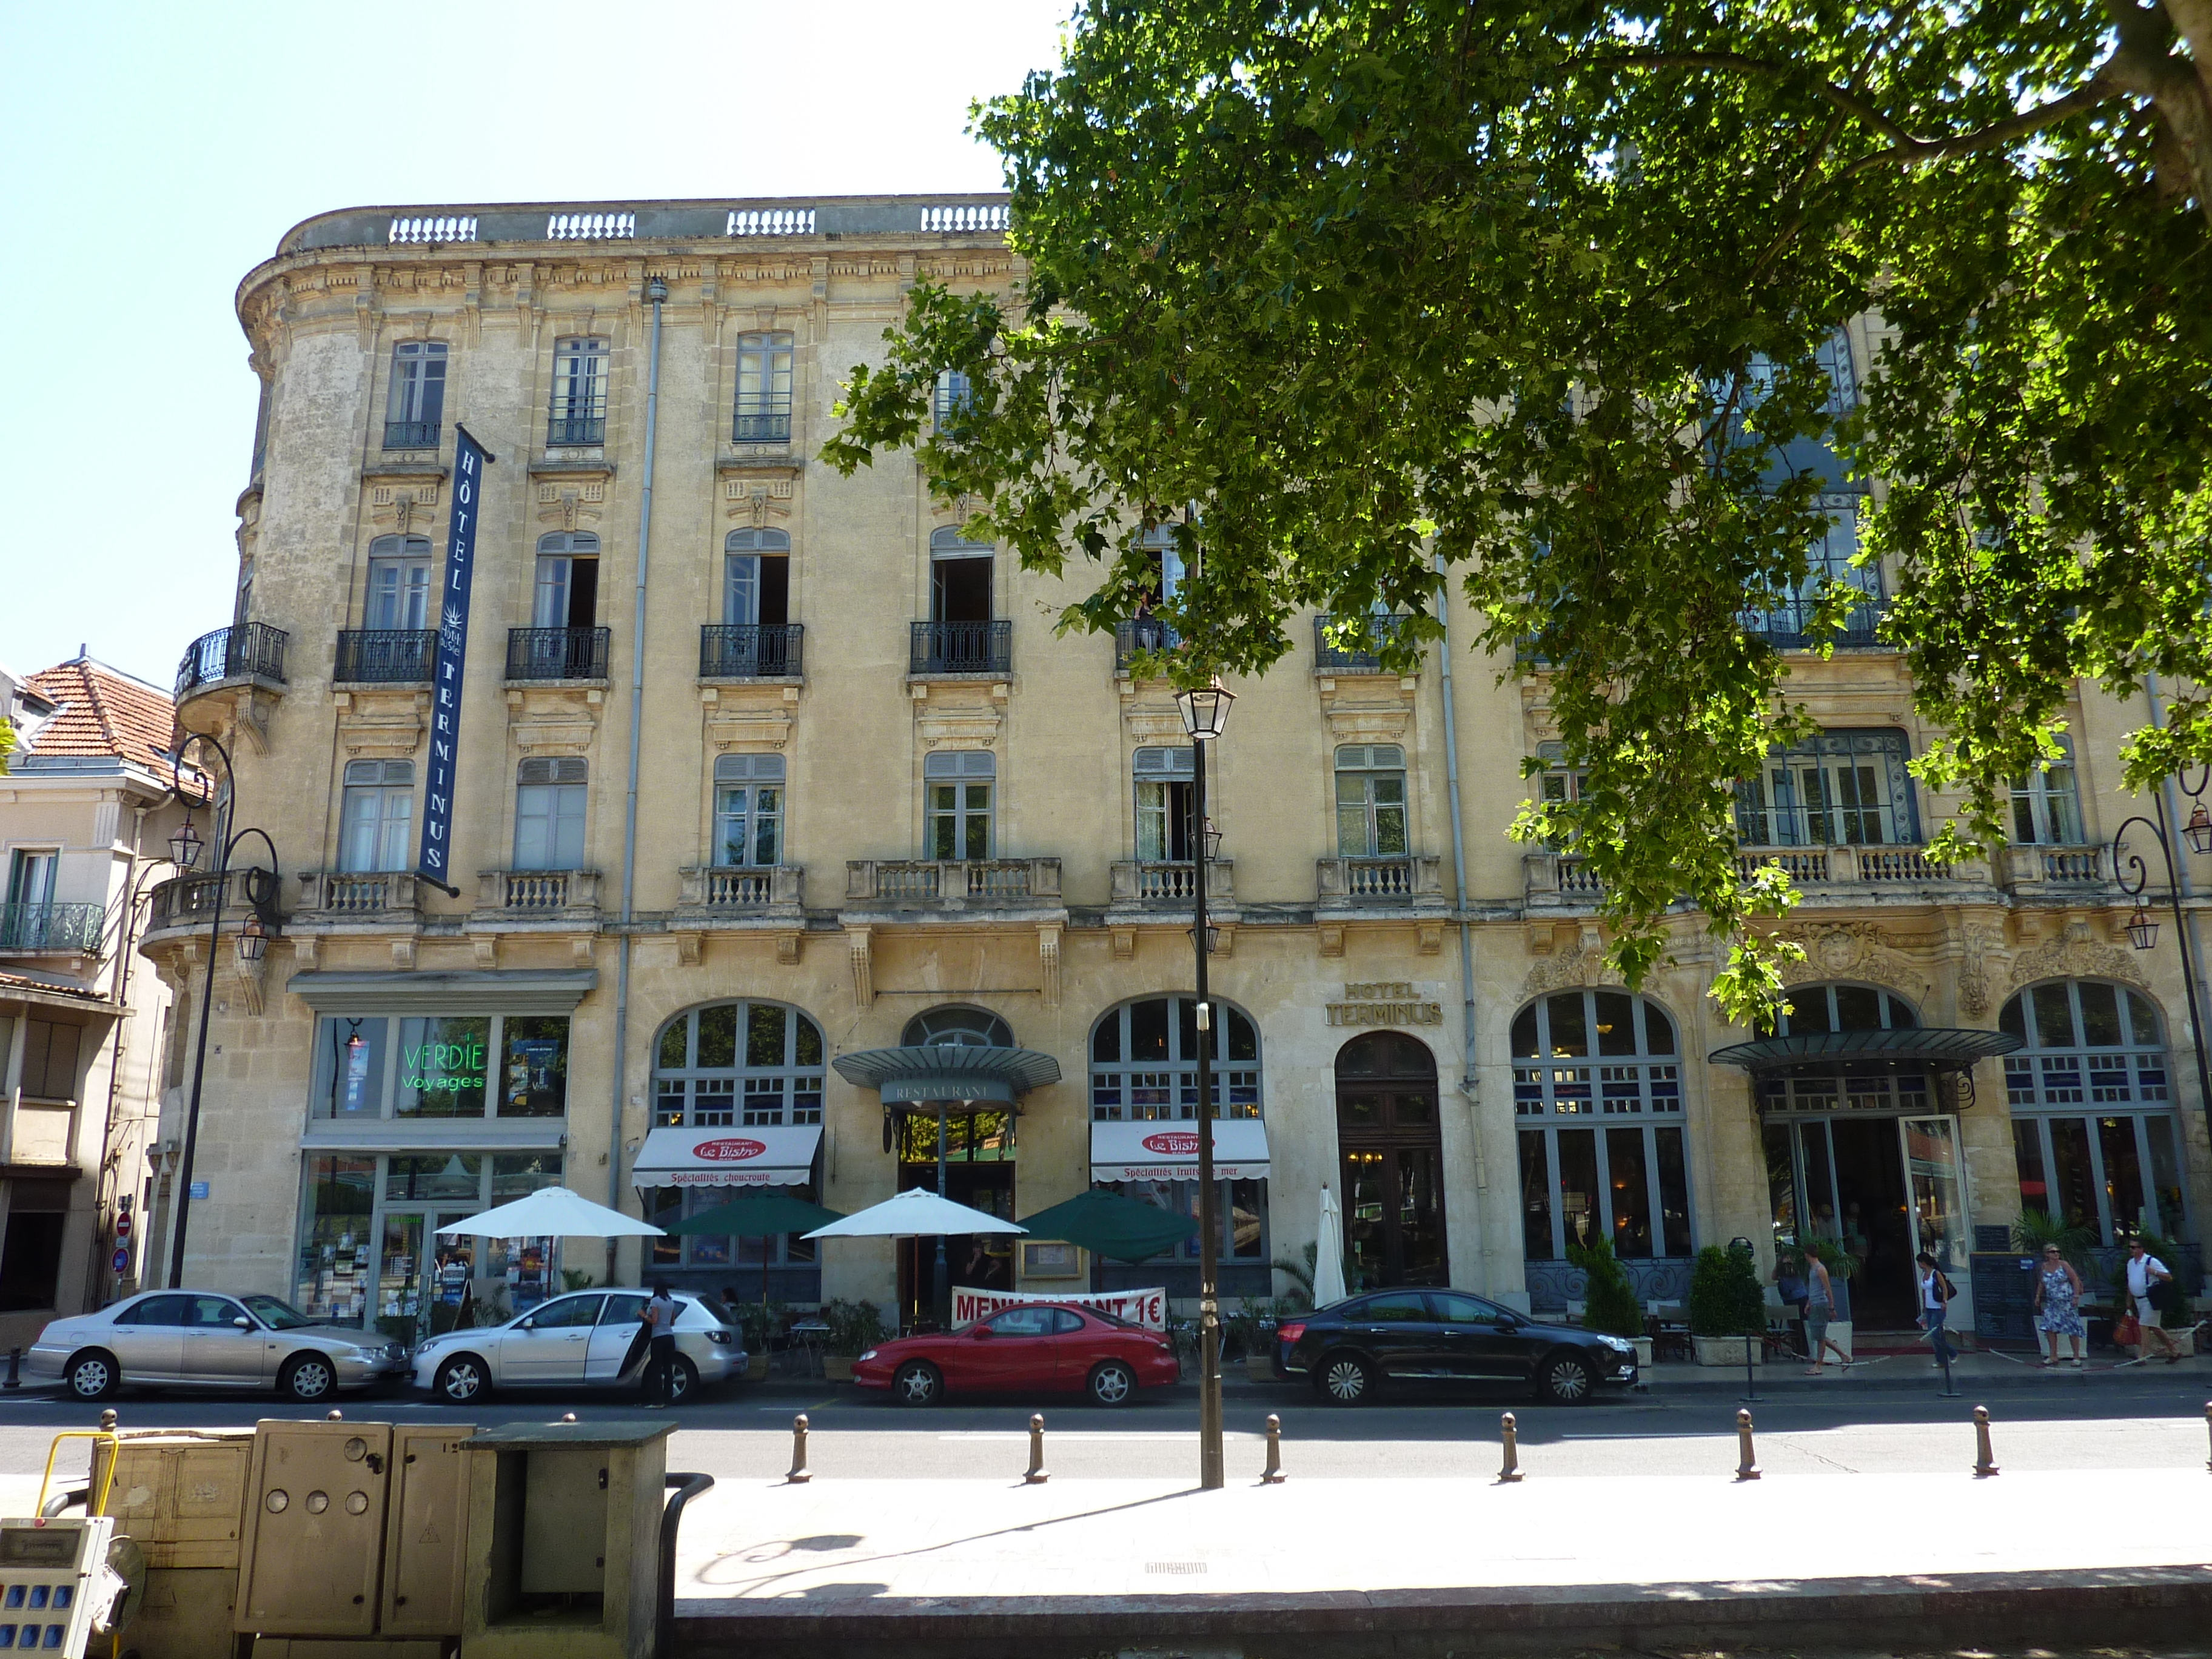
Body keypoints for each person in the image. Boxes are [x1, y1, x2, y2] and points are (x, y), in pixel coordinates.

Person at [2124, 1236, 2184, 1363]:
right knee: (2155, 1327)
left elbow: (2169, 1277)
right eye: (2130, 1247)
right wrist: (2129, 1303)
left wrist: (2155, 1272)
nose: (2131, 1250)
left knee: (2144, 1325)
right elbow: (2130, 1283)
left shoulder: (2151, 1261)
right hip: (2138, 1299)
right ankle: (2174, 1351)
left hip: (2150, 1299)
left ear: (2141, 1249)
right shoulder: (2131, 1263)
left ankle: (2142, 1355)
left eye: (2134, 1247)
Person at [2033, 1244, 2086, 1367]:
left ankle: (2076, 1356)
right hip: (2052, 1302)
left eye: (2058, 1251)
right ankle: (2053, 1355)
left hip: (2066, 1301)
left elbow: (2075, 1279)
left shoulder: (2064, 1265)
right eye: (2053, 1252)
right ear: (2047, 1254)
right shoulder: (2044, 1266)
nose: (2056, 1254)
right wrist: (2038, 1296)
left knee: (2072, 1328)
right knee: (2050, 1328)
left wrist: (2076, 1296)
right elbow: (2042, 1282)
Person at [1800, 1248, 1851, 1374]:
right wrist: (1809, 1303)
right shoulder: (1813, 1269)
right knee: (1819, 1336)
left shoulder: (1820, 1269)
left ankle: (1819, 1365)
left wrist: (1831, 1307)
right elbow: (1814, 1289)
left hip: (1821, 1305)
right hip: (1815, 1303)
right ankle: (1843, 1356)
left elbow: (1827, 1289)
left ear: (1808, 1255)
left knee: (1820, 1336)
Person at [1915, 1251, 1957, 1368]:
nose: (1919, 1265)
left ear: (1923, 1262)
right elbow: (1924, 1291)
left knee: (1935, 1334)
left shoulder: (1936, 1274)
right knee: (1933, 1335)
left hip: (1938, 1308)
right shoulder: (1923, 1275)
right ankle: (1941, 1360)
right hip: (1929, 1308)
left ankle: (1952, 1352)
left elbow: (1944, 1288)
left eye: (1919, 1262)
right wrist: (1924, 1306)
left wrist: (1945, 1302)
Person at [643, 1281, 681, 1406]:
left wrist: (643, 1315)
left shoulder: (655, 1301)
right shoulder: (671, 1302)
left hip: (658, 1337)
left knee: (656, 1369)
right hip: (669, 1337)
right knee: (668, 1368)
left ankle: (658, 1401)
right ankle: (668, 1398)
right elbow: (672, 1322)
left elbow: (654, 1320)